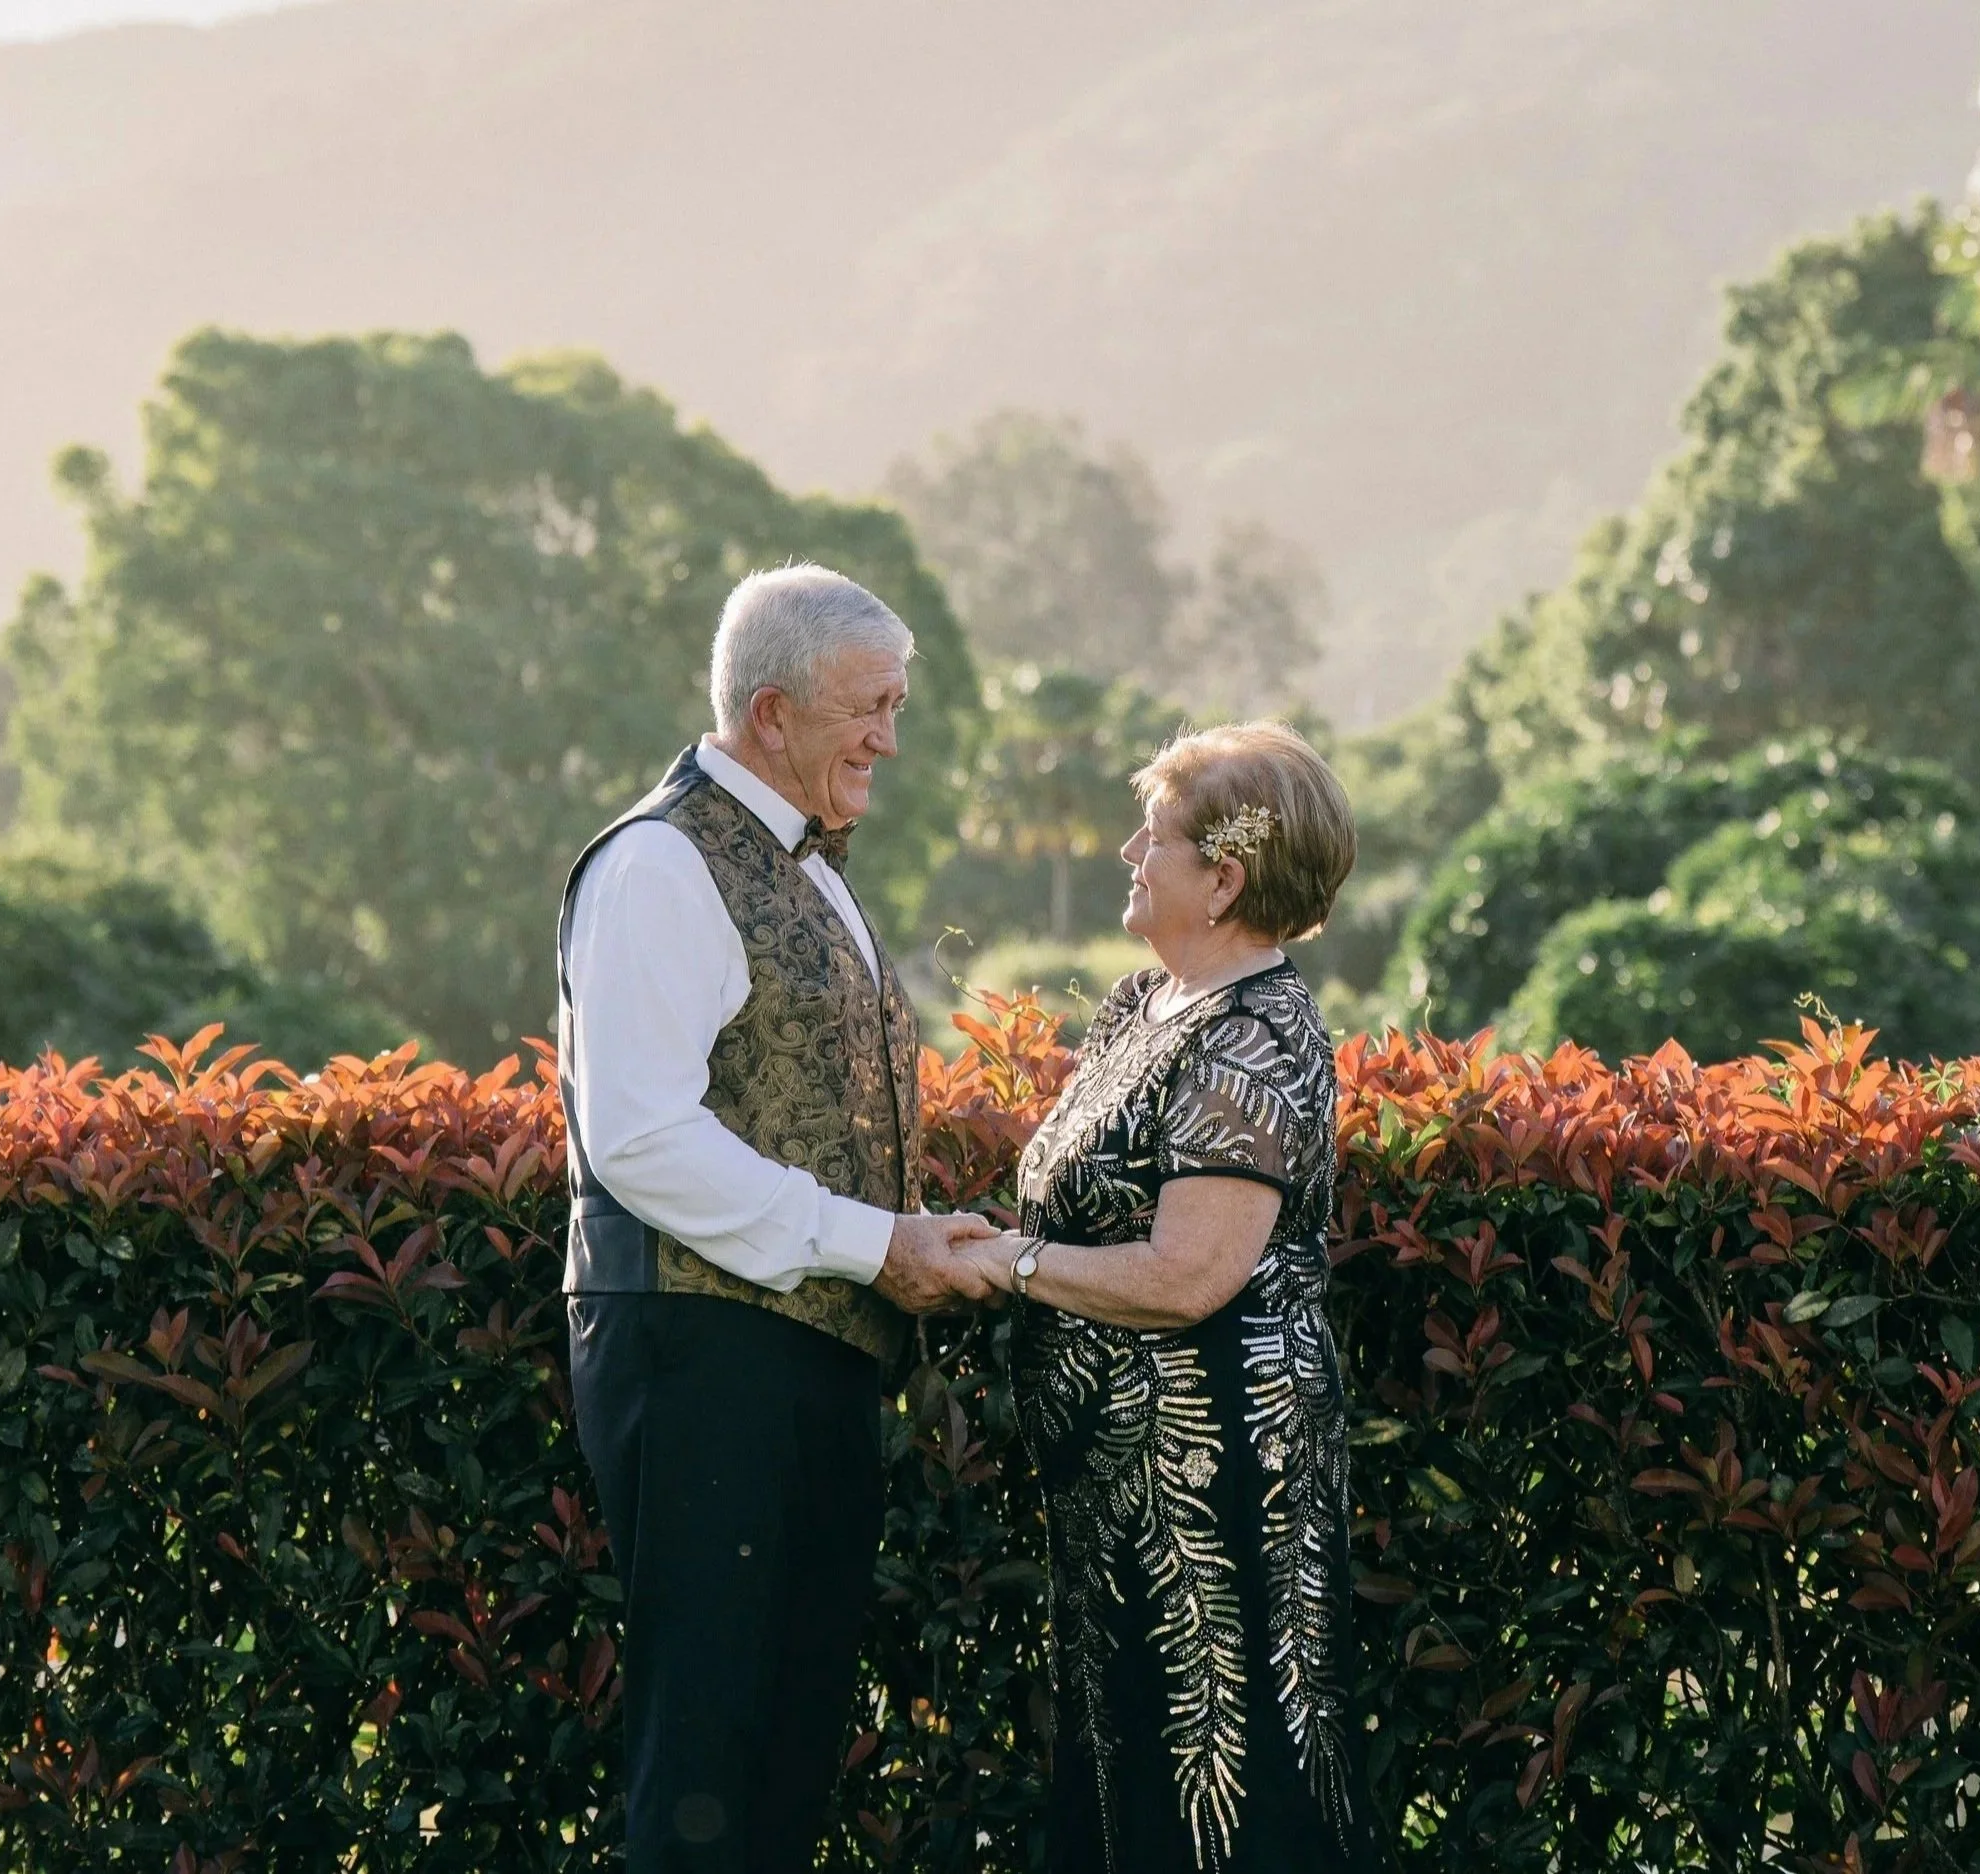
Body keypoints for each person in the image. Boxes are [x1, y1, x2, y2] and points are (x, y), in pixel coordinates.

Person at [556, 565, 996, 1873]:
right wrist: (876, 1244)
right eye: (867, 708)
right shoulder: (657, 864)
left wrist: (911, 1237)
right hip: (698, 1354)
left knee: (786, 1740)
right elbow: (636, 1135)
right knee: (708, 1745)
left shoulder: (814, 869)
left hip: (804, 1350)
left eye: (895, 706)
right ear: (768, 709)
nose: (888, 739)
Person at [956, 721, 1383, 1874]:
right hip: (1111, 1482)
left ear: (1226, 877)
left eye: (1153, 838)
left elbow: (1192, 1272)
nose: (1126, 855)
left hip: (1213, 1483)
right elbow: (1083, 1208)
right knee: (1121, 1765)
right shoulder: (1142, 1001)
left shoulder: (1255, 1036)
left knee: (1219, 1766)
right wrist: (997, 1240)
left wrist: (1017, 1267)